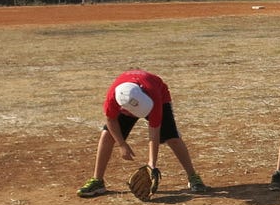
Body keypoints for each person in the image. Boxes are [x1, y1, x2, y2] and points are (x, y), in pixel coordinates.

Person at [78, 71, 209, 198]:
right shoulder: (113, 97)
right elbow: (111, 120)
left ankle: (193, 177)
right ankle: (97, 181)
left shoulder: (154, 99)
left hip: (158, 97)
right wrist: (122, 144)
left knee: (172, 138)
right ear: (123, 108)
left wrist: (152, 164)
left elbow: (154, 133)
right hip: (129, 100)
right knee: (107, 135)